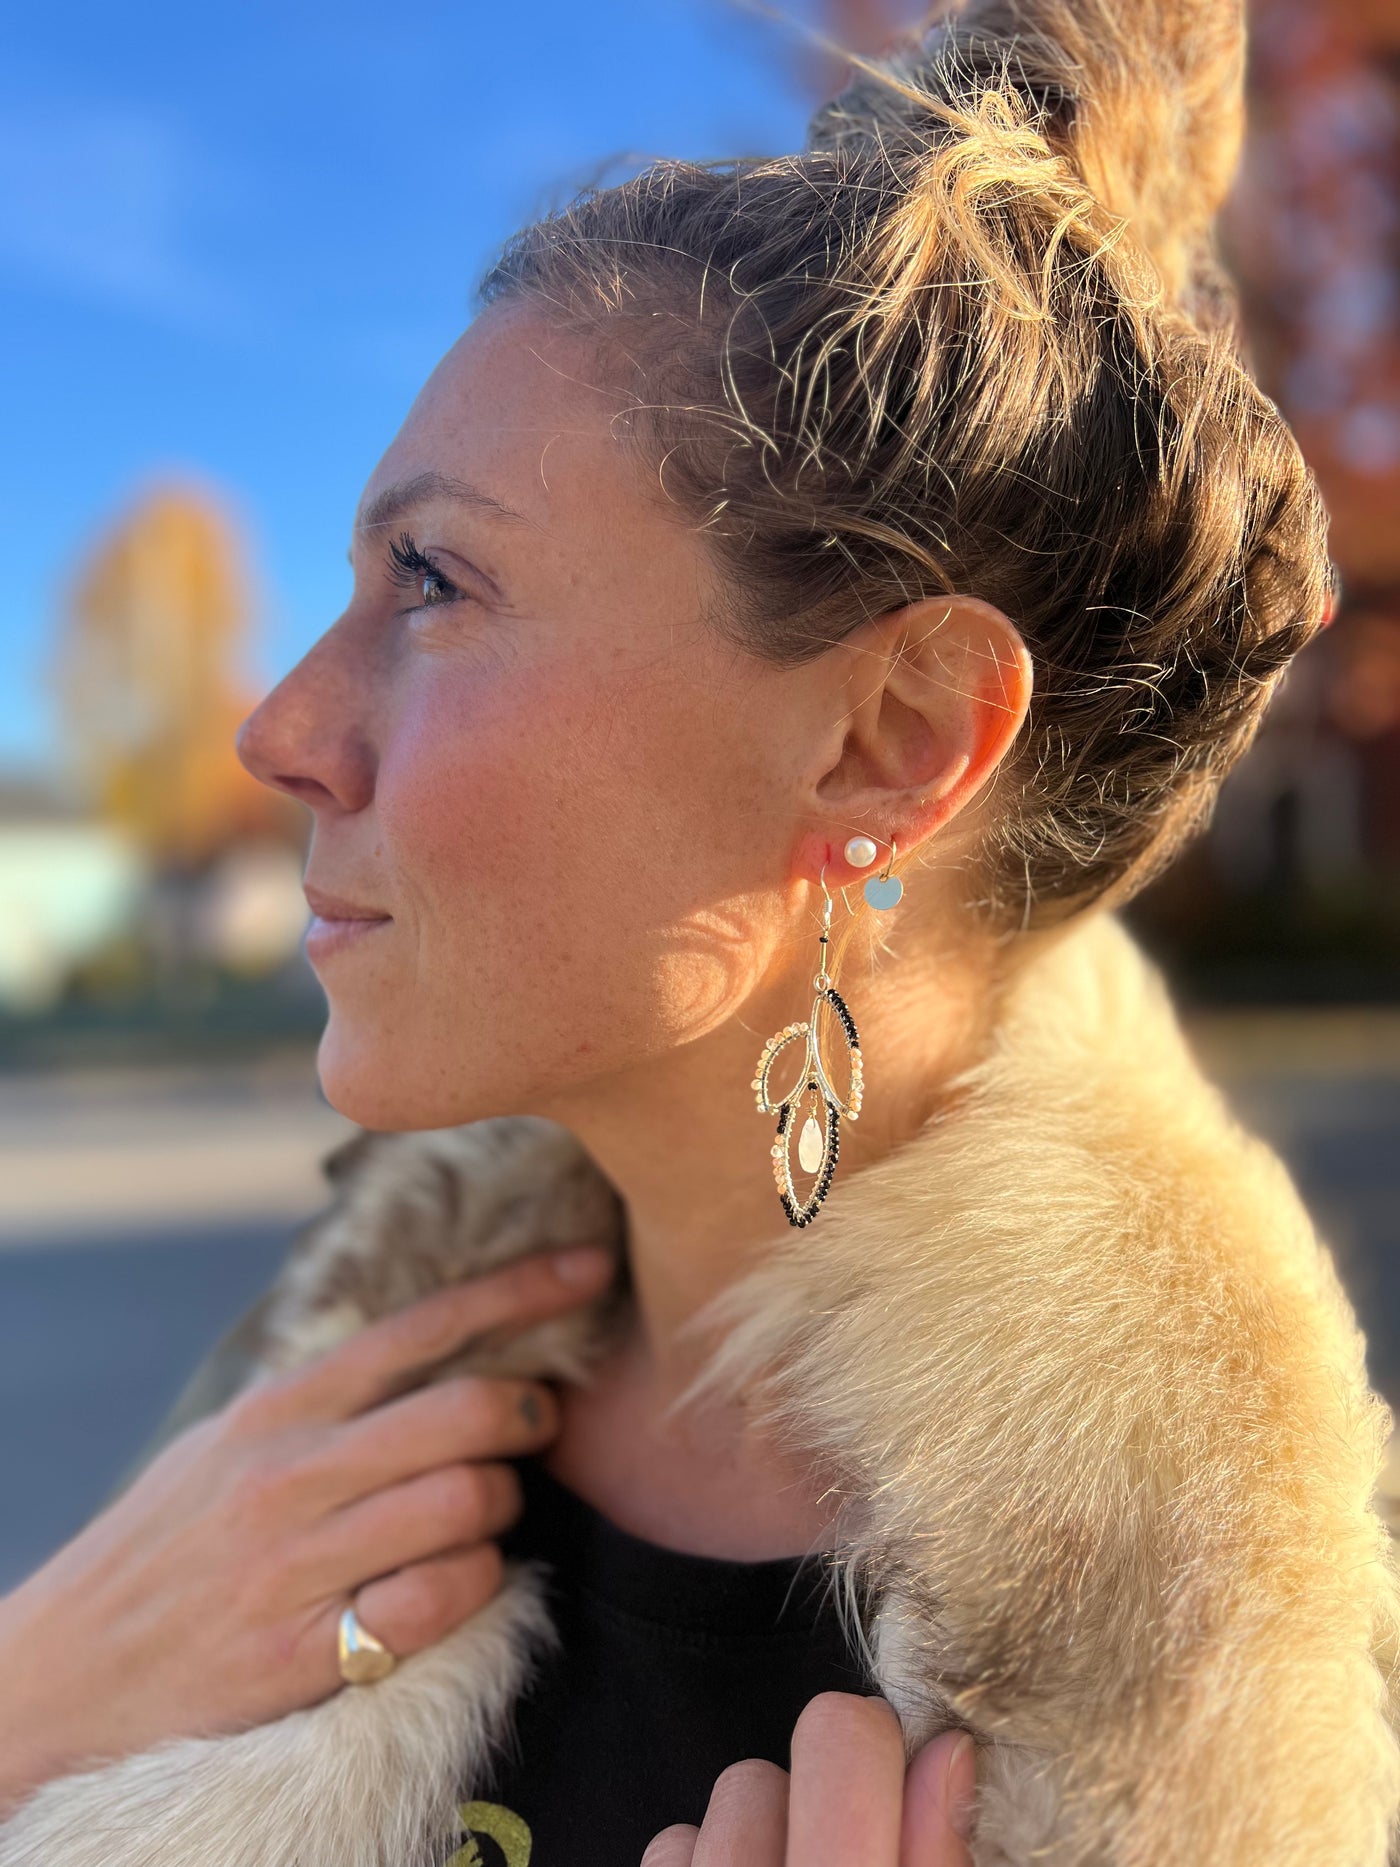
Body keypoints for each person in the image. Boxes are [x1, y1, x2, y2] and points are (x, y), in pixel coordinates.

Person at [1, 0, 1398, 1862]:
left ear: (887, 745)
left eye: (434, 581)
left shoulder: (1189, 1711)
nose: (274, 734)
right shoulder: (298, 1447)